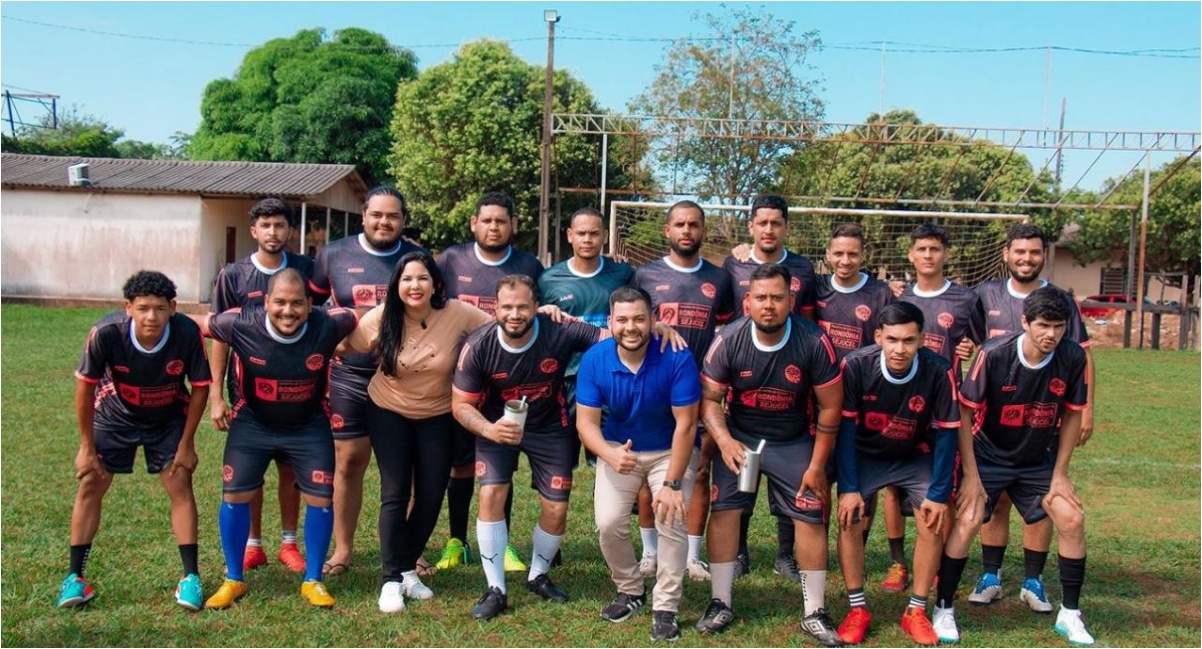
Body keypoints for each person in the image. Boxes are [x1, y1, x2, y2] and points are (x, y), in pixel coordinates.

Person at [932, 286, 1093, 646]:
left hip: (1038, 458)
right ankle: (943, 608)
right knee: (970, 518)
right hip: (989, 454)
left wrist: (1060, 474)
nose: (1051, 334)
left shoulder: (1072, 357)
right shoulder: (994, 354)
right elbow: (964, 411)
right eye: (1044, 325)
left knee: (1071, 518)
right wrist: (971, 477)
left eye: (1059, 326)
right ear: (1025, 322)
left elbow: (1070, 414)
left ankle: (1070, 614)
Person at [695, 264, 844, 646]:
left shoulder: (814, 340)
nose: (769, 305)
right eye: (760, 297)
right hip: (741, 438)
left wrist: (816, 466)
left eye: (777, 298)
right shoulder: (728, 339)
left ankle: (815, 612)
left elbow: (830, 408)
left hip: (794, 440)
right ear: (747, 301)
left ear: (791, 300)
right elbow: (710, 400)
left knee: (810, 516)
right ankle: (720, 601)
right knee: (725, 509)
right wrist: (725, 441)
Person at [336, 251, 492, 613]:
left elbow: (498, 328)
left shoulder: (456, 312)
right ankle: (391, 580)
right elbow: (345, 345)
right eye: (406, 279)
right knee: (395, 492)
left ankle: (406, 567)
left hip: (438, 413)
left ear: (435, 282)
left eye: (422, 278)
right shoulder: (382, 316)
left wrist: (547, 315)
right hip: (387, 410)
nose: (414, 286)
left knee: (432, 493)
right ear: (397, 285)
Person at [200, 268, 358, 610]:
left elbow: (367, 318)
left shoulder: (329, 323)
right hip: (253, 424)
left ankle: (313, 579)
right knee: (235, 493)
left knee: (320, 499)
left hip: (308, 425)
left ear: (310, 304)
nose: (289, 311)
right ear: (266, 302)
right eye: (281, 303)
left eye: (297, 303)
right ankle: (233, 579)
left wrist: (349, 346)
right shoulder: (240, 323)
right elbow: (193, 326)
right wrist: (215, 393)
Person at [59, 271, 212, 610]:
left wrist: (187, 444)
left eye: (160, 308)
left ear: (173, 307)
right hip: (115, 413)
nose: (151, 317)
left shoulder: (187, 332)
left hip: (168, 415)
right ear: (128, 307)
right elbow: (85, 388)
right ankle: (75, 579)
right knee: (91, 482)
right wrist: (86, 448)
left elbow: (201, 387)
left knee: (180, 481)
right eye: (143, 308)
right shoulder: (106, 333)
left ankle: (190, 578)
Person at [968, 223, 1095, 613]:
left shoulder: (1059, 300)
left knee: (1038, 500)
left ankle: (1033, 579)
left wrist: (1086, 410)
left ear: (1044, 255)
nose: (1026, 258)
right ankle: (991, 575)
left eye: (1034, 252)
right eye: (1019, 251)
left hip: (1044, 414)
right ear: (1005, 253)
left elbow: (1082, 354)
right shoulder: (985, 294)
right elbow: (972, 346)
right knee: (998, 499)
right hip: (997, 417)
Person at [306, 186, 427, 577]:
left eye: (392, 216)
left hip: (402, 379)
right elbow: (310, 309)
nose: (384, 222)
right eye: (377, 214)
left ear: (403, 221)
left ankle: (410, 549)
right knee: (349, 462)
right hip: (349, 377)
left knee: (404, 468)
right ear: (364, 216)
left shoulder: (416, 259)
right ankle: (342, 550)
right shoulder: (334, 255)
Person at [576, 286, 701, 642]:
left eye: (639, 319)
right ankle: (631, 589)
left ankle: (666, 606)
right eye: (623, 319)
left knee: (671, 518)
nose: (631, 327)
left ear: (654, 319)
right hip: (619, 448)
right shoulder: (595, 359)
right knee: (608, 522)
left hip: (669, 449)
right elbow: (586, 423)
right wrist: (609, 453)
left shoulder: (676, 355)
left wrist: (673, 484)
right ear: (610, 321)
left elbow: (686, 424)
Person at [833, 302, 960, 646]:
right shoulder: (856, 365)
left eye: (908, 340)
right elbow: (844, 430)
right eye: (892, 339)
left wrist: (938, 493)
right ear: (878, 337)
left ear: (922, 339)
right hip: (866, 455)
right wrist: (848, 487)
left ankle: (915, 611)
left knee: (932, 519)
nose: (899, 349)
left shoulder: (938, 370)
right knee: (849, 519)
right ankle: (857, 609)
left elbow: (948, 433)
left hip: (914, 456)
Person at [435, 191, 544, 574]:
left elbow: (540, 312)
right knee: (460, 464)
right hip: (460, 377)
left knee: (501, 460)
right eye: (487, 220)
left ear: (513, 225)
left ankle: (506, 543)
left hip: (507, 382)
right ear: (473, 224)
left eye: (501, 221)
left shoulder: (530, 264)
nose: (494, 227)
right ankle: (456, 540)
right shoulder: (450, 260)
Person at [875, 223, 985, 594]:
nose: (927, 255)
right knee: (892, 486)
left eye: (934, 249)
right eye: (921, 249)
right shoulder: (897, 298)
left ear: (945, 254)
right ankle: (897, 563)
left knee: (945, 486)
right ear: (911, 254)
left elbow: (982, 345)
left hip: (944, 408)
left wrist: (968, 351)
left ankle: (934, 562)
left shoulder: (966, 300)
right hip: (901, 404)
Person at [630, 199, 736, 583]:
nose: (686, 231)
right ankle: (650, 553)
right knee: (647, 470)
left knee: (701, 470)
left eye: (694, 224)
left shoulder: (720, 278)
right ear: (667, 231)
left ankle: (692, 555)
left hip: (701, 387)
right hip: (653, 383)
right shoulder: (644, 275)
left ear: (703, 231)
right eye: (680, 224)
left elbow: (726, 328)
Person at [208, 198, 315, 574]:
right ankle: (254, 544)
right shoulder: (233, 276)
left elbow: (321, 329)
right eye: (265, 225)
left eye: (280, 225)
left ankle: (289, 542)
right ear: (254, 231)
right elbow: (219, 336)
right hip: (247, 393)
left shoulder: (306, 269)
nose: (273, 232)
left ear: (290, 230)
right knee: (250, 472)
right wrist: (216, 396)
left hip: (299, 391)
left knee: (291, 471)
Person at [723, 193, 819, 584]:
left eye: (775, 223)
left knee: (789, 477)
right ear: (750, 226)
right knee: (738, 477)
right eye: (761, 222)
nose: (768, 229)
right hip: (744, 383)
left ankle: (785, 554)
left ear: (785, 227)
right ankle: (740, 551)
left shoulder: (803, 269)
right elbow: (726, 320)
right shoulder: (734, 264)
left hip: (792, 383)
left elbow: (812, 322)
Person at [814, 222, 896, 362]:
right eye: (838, 253)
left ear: (863, 255)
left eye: (852, 254)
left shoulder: (881, 294)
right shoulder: (817, 286)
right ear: (828, 254)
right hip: (823, 378)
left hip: (862, 377)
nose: (845, 261)